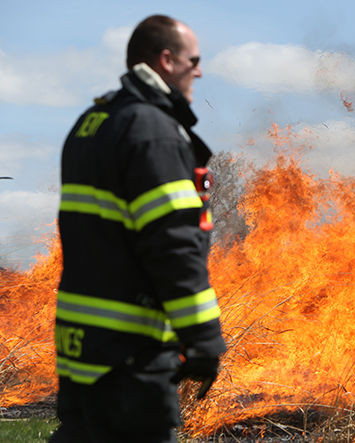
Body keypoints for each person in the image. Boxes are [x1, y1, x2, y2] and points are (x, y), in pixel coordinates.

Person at [50, 15, 226, 443]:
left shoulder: (92, 122)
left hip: (82, 352)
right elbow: (173, 242)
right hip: (131, 355)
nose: (199, 71)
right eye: (194, 60)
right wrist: (203, 337)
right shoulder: (153, 132)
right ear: (167, 60)